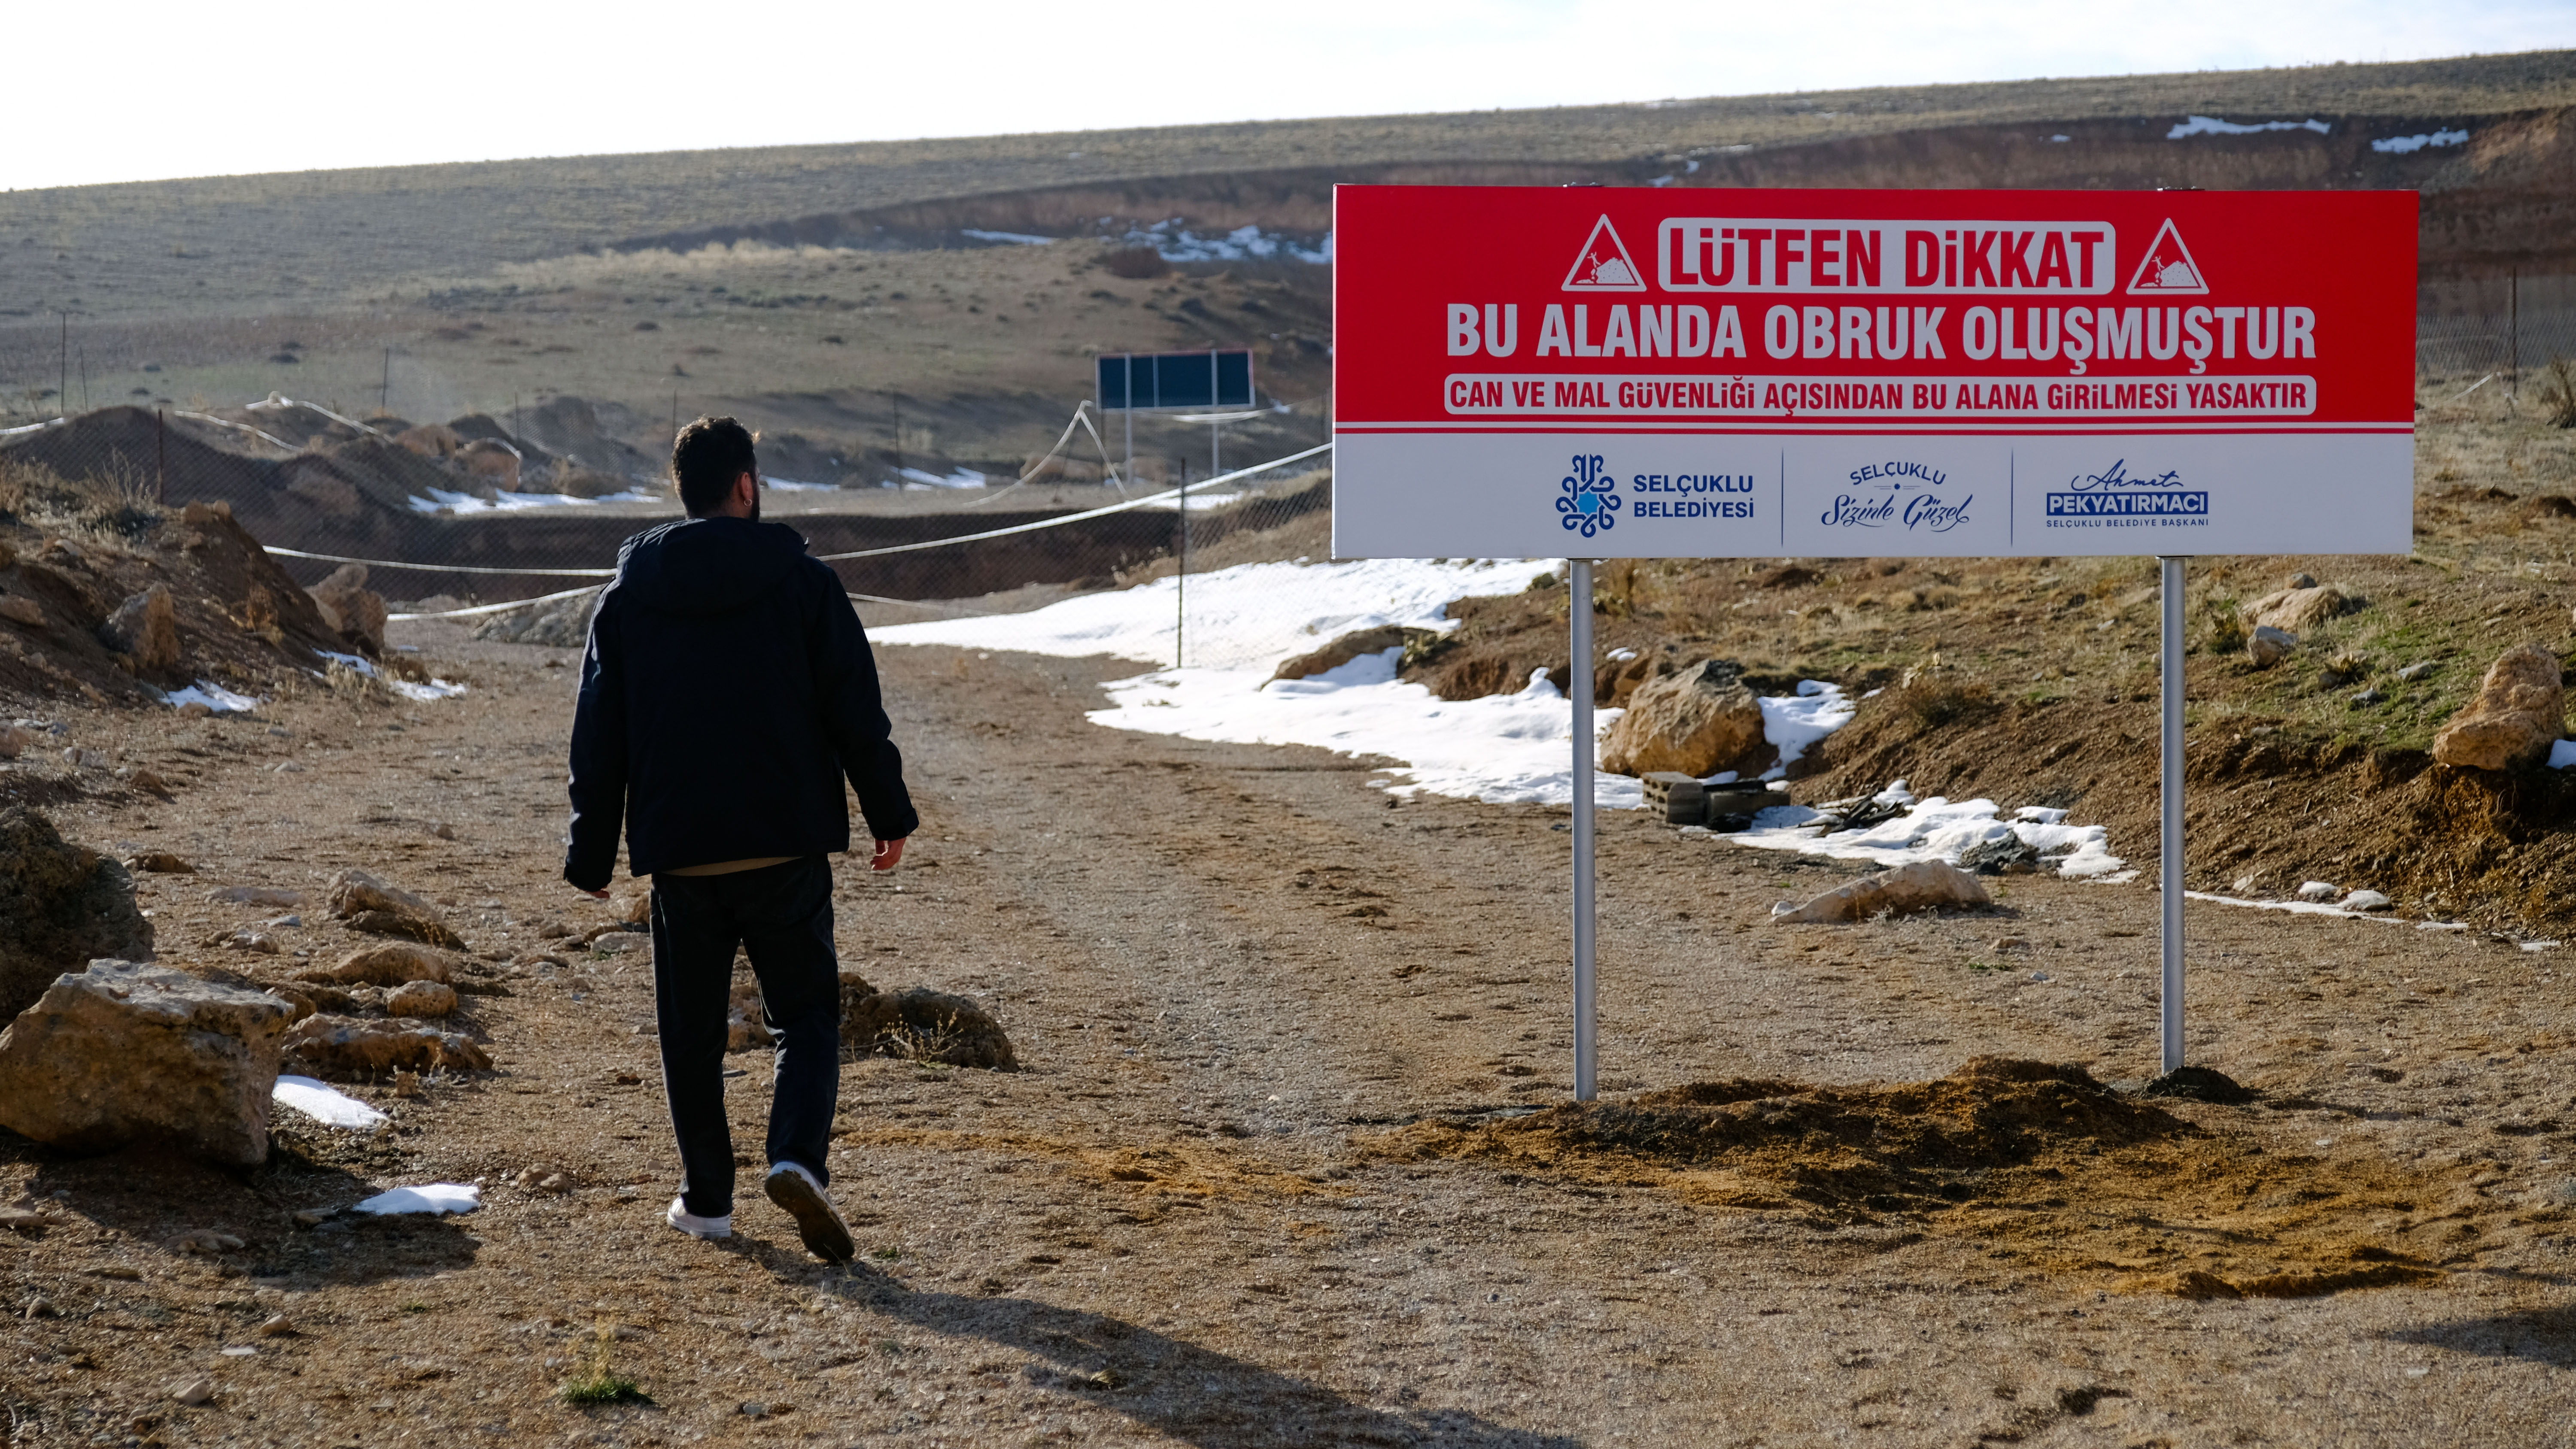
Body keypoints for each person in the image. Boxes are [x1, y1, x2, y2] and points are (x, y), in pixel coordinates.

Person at [563, 415, 916, 1263]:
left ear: (684, 492)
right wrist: (888, 812)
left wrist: (592, 851)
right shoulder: (806, 584)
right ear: (747, 486)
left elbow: (598, 734)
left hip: (681, 854)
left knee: (690, 1034)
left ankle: (708, 1200)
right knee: (807, 1016)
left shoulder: (627, 598)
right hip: (785, 844)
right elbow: (854, 708)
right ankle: (796, 1158)